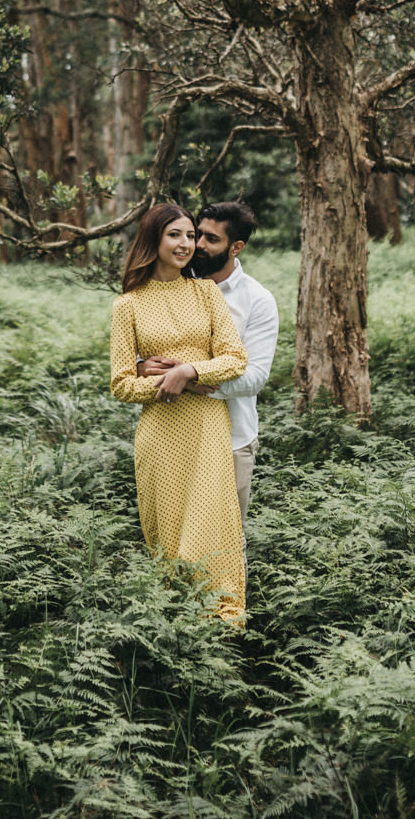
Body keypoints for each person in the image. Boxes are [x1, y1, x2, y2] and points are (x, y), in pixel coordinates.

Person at [109, 203, 250, 622]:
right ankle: (178, 629)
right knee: (169, 533)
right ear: (154, 239)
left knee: (211, 524)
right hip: (160, 433)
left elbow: (234, 358)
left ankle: (222, 623)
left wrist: (188, 371)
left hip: (206, 427)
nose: (186, 244)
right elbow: (120, 384)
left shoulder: (205, 292)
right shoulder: (127, 306)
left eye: (191, 236)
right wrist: (160, 382)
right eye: (176, 235)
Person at [138, 201, 277, 518]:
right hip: (170, 432)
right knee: (173, 536)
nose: (196, 245)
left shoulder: (257, 300)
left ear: (236, 247)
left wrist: (192, 377)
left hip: (231, 440)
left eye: (210, 239)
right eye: (195, 234)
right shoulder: (165, 286)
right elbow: (140, 347)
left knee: (224, 540)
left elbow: (255, 377)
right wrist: (139, 366)